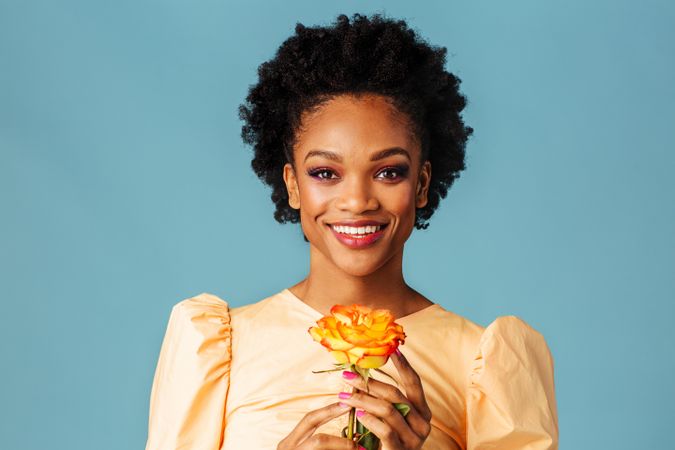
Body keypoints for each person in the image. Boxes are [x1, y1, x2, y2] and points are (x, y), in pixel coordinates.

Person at [144, 13, 559, 450]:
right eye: (325, 172)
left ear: (420, 184)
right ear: (292, 185)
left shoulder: (485, 363)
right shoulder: (217, 350)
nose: (358, 200)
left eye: (388, 172)